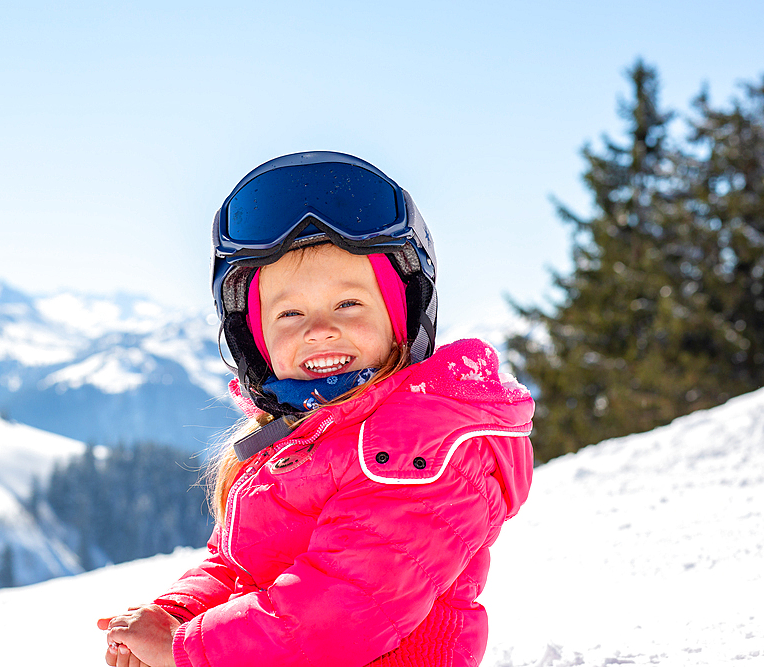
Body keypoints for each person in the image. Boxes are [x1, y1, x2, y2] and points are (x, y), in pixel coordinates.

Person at [98, 151, 535, 667]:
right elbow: (234, 565)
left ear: (403, 316)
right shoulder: (296, 439)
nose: (318, 329)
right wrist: (174, 614)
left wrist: (185, 648)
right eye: (290, 313)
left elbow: (332, 619)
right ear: (254, 339)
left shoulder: (421, 454)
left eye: (348, 304)